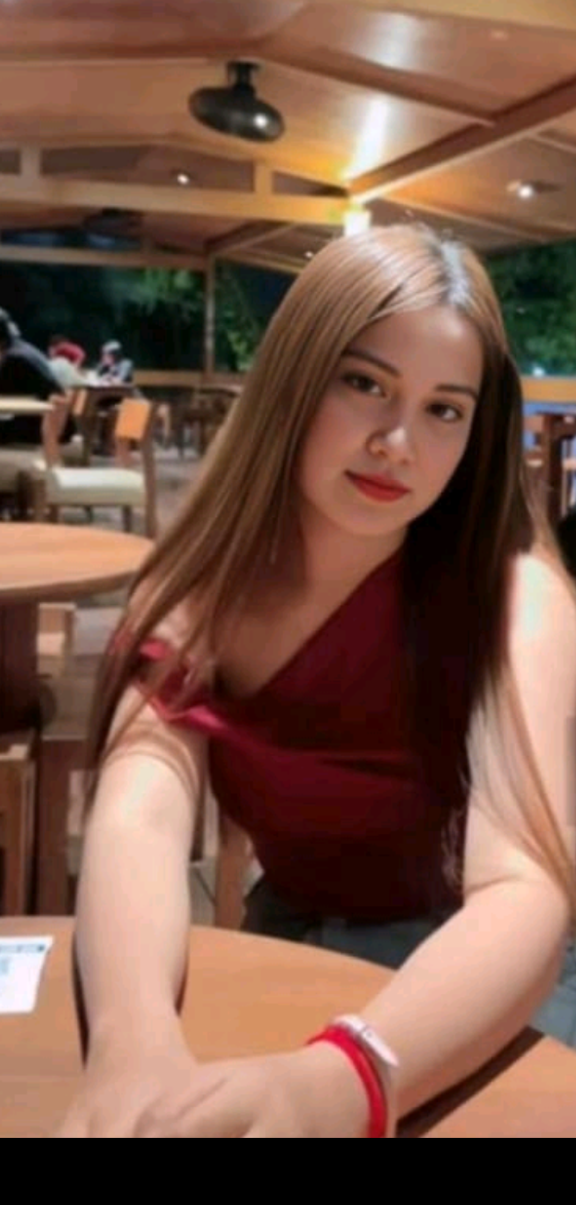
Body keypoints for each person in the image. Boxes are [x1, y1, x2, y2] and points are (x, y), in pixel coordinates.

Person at [58, 226, 576, 1140]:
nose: (397, 442)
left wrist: (348, 1080)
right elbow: (143, 810)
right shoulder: (199, 585)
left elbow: (522, 888)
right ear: (295, 378)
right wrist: (132, 1044)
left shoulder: (515, 592)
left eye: (444, 409)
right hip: (298, 934)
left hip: (492, 974)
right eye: (364, 383)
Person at [0, 311, 68, 446]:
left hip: (45, 426)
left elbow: (5, 393)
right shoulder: (21, 350)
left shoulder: (15, 359)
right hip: (49, 422)